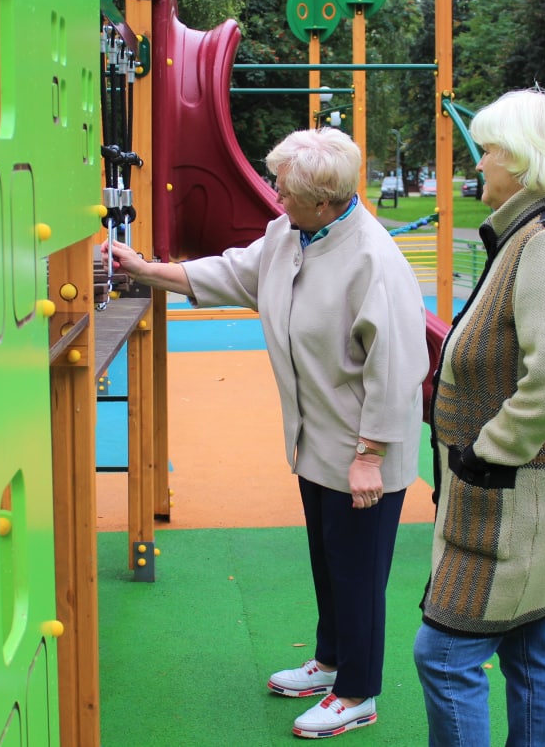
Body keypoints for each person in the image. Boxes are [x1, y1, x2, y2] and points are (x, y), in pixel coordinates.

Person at [102, 127, 428, 740]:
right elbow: (233, 273)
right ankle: (331, 662)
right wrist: (146, 270)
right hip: (317, 441)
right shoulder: (291, 234)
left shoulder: (373, 262)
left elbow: (400, 369)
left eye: (285, 189)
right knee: (328, 563)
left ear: (326, 201)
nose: (274, 195)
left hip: (363, 449)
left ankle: (358, 692)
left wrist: (370, 457)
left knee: (358, 574)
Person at [414, 88, 545, 747]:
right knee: (528, 643)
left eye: (492, 148)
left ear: (524, 161)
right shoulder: (544, 229)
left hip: (515, 494)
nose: (482, 160)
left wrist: (488, 451)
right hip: (539, 488)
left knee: (444, 653)